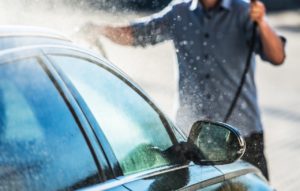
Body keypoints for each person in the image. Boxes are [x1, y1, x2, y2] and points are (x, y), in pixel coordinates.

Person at [81, 0, 286, 180]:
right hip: (193, 140)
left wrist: (262, 23)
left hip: (242, 139)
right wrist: (100, 30)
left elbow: (277, 56)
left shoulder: (244, 11)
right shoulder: (179, 12)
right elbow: (137, 34)